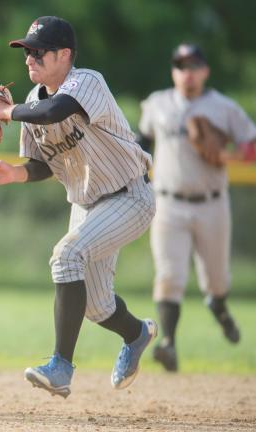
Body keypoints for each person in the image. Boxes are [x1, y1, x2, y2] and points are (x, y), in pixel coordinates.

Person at [0, 16, 157, 398]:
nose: (30, 59)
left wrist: (5, 112)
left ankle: (60, 368)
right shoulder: (31, 102)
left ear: (64, 55)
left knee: (66, 255)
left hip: (130, 195)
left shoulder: (86, 81)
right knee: (96, 306)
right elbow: (43, 164)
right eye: (27, 52)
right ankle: (137, 333)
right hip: (86, 203)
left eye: (38, 52)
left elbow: (54, 111)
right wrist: (14, 173)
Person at [138, 43, 256, 372]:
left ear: (205, 71)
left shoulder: (224, 108)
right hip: (167, 202)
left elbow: (251, 145)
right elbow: (141, 143)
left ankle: (218, 306)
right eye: (181, 66)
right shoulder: (157, 104)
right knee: (169, 275)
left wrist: (231, 154)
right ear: (173, 72)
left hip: (211, 204)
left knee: (217, 280)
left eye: (193, 66)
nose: (187, 73)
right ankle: (168, 344)